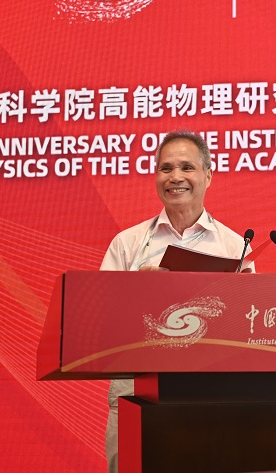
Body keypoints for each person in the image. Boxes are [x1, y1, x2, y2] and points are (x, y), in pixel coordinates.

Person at [99, 129, 254, 472]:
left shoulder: (235, 247)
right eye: (166, 168)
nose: (175, 177)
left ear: (208, 176)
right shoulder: (127, 243)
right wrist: (134, 293)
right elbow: (100, 323)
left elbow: (247, 330)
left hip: (209, 388)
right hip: (137, 385)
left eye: (187, 167)